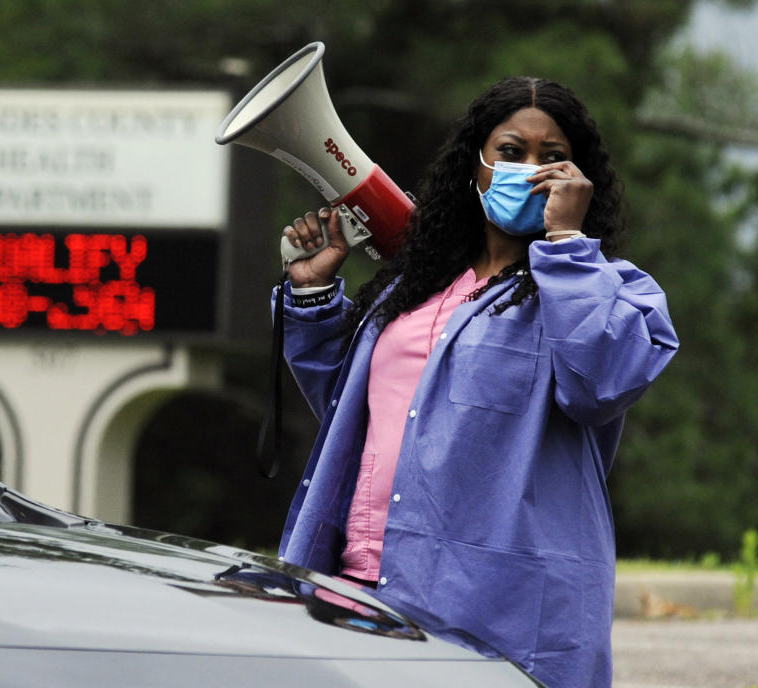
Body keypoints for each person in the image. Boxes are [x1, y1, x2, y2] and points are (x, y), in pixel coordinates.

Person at [272, 76, 679, 688]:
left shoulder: (612, 290)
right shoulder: (414, 287)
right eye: (511, 152)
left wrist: (567, 243)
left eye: (553, 157)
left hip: (500, 611)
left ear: (581, 181)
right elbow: (353, 413)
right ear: (476, 167)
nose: (531, 170)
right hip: (360, 584)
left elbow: (599, 384)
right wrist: (313, 293)